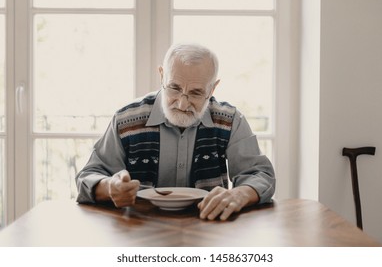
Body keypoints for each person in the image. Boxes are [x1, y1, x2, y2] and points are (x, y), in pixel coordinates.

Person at [75, 43, 275, 221]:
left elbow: (260, 174)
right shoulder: (126, 118)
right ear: (162, 75)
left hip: (210, 227)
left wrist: (240, 193)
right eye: (174, 88)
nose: (182, 103)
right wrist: (110, 188)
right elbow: (89, 176)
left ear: (213, 88)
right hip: (139, 228)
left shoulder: (230, 120)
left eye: (196, 93)